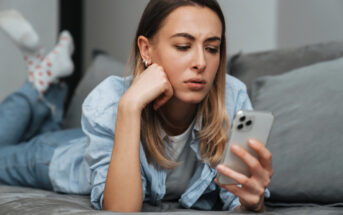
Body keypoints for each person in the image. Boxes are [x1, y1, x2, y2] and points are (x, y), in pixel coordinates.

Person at [0, 0, 273, 213]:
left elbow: (236, 200)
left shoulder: (232, 97)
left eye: (212, 48)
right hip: (62, 155)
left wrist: (252, 203)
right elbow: (120, 210)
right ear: (146, 50)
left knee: (39, 128)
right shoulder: (110, 98)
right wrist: (129, 107)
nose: (201, 62)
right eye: (182, 46)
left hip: (95, 137)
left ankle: (43, 79)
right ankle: (36, 85)